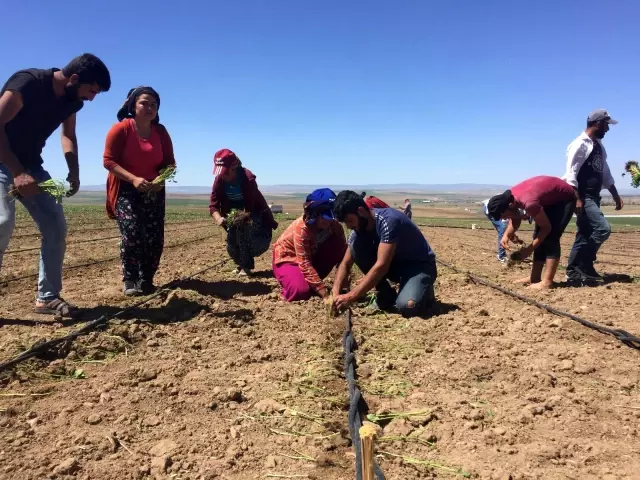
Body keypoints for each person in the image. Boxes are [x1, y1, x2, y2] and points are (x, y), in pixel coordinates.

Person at [0, 54, 111, 318]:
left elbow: (68, 135)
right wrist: (16, 172)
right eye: (91, 90)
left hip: (32, 167)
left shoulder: (73, 101)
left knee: (55, 225)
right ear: (73, 79)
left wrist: (74, 170)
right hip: (4, 163)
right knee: (2, 222)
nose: (92, 98)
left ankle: (47, 297)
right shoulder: (28, 83)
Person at [103, 87, 176, 296]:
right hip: (126, 188)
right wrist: (134, 179)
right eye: (144, 103)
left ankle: (146, 279)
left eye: (154, 104)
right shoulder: (121, 129)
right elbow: (108, 161)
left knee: (154, 237)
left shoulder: (160, 132)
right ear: (133, 105)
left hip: (154, 189)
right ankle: (130, 278)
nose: (149, 108)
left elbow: (170, 163)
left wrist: (161, 180)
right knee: (132, 233)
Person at [331, 190, 437, 318]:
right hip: (396, 266)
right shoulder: (358, 231)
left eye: (349, 221)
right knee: (355, 248)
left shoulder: (388, 221)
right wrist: (335, 293)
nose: (348, 227)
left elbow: (382, 266)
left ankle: (424, 291)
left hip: (419, 267)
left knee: (407, 307)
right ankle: (386, 293)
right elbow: (345, 264)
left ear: (361, 211)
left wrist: (351, 296)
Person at [562, 109, 624, 283]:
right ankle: (585, 264)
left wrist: (615, 195)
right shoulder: (580, 144)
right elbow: (570, 173)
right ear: (598, 123)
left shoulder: (598, 146)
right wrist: (577, 199)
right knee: (603, 228)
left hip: (594, 196)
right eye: (606, 125)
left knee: (583, 234)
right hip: (583, 196)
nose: (607, 129)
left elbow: (605, 172)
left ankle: (573, 272)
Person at [486, 176, 577, 290]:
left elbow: (546, 228)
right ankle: (535, 277)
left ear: (509, 205)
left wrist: (529, 250)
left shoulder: (529, 203)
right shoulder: (511, 198)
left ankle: (547, 282)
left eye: (504, 215)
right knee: (537, 236)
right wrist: (506, 235)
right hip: (549, 200)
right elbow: (515, 217)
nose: (505, 218)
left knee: (551, 237)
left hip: (564, 199)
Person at [209, 149, 277, 275]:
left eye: (225, 172)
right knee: (231, 243)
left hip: (253, 213)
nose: (222, 175)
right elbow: (213, 206)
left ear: (234, 167)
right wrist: (219, 218)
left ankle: (246, 267)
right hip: (233, 215)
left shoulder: (247, 179)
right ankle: (241, 264)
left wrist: (241, 218)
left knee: (242, 233)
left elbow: (251, 207)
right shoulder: (220, 180)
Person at [272, 188, 347, 301]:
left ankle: (311, 283)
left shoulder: (335, 227)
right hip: (288, 258)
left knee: (338, 245)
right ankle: (294, 282)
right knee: (300, 291)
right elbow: (305, 263)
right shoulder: (302, 229)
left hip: (311, 256)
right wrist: (325, 296)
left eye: (331, 218)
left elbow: (344, 255)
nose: (328, 222)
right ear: (315, 213)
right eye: (324, 217)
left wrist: (342, 284)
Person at [481, 199, 530, 264]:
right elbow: (505, 227)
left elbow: (510, 228)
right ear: (526, 214)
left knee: (503, 230)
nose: (525, 220)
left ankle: (501, 255)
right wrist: (512, 237)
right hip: (490, 209)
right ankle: (501, 256)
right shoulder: (516, 211)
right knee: (502, 229)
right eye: (527, 218)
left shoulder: (518, 213)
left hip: (494, 208)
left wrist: (516, 239)